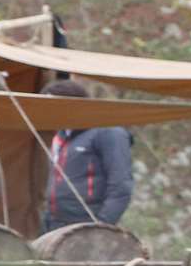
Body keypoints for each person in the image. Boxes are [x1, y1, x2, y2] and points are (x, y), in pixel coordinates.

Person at [41, 80, 133, 233]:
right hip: (54, 223)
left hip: (88, 223)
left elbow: (121, 185)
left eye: (52, 106)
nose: (46, 112)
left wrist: (102, 225)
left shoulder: (108, 132)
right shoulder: (61, 136)